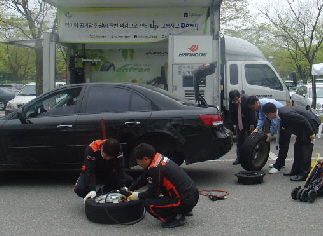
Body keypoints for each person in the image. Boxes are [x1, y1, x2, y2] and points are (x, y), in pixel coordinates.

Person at [127, 143, 199, 228]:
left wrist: (138, 195)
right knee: (164, 190)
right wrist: (130, 189)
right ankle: (181, 210)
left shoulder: (155, 169)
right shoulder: (159, 158)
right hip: (192, 195)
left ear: (145, 159)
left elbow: (153, 193)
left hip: (185, 201)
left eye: (139, 162)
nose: (139, 164)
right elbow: (144, 177)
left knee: (148, 204)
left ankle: (175, 218)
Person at [262, 103, 321, 181]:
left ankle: (304, 174)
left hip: (310, 124)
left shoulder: (285, 114)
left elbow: (303, 120)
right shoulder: (280, 114)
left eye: (266, 115)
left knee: (305, 150)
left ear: (270, 113)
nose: (267, 117)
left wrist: (311, 133)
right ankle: (295, 170)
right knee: (297, 147)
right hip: (302, 128)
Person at [246, 96, 289, 174]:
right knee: (282, 143)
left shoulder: (266, 105)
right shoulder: (260, 106)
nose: (253, 109)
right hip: (280, 120)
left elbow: (274, 121)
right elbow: (262, 118)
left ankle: (278, 166)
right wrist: (257, 129)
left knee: (283, 143)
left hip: (285, 120)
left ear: (256, 103)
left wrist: (271, 134)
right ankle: (280, 163)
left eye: (252, 107)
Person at [229, 90, 257, 165]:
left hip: (248, 122)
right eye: (233, 100)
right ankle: (239, 158)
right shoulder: (231, 102)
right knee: (239, 141)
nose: (235, 102)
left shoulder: (246, 99)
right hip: (239, 123)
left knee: (250, 141)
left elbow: (252, 112)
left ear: (239, 97)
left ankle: (251, 158)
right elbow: (232, 114)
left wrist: (252, 124)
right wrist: (234, 125)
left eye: (236, 100)